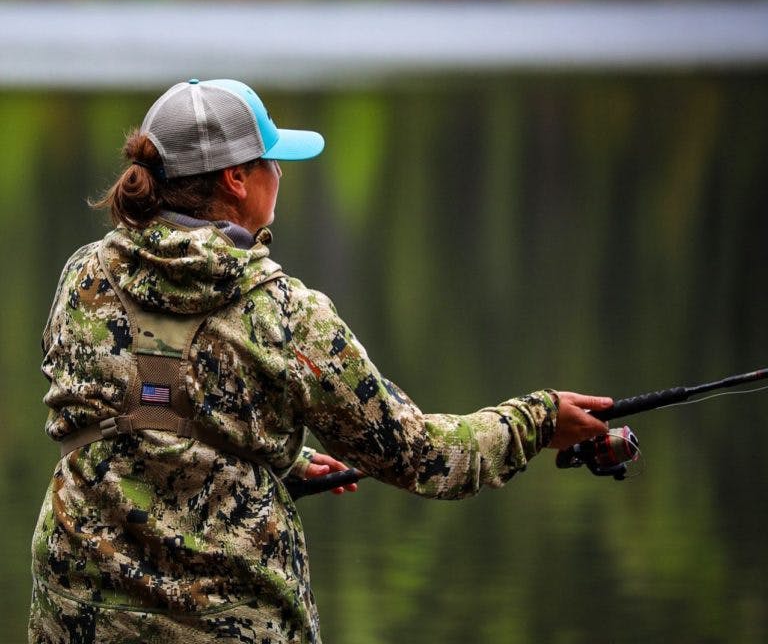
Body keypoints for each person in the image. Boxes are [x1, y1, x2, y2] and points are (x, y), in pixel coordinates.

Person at [29, 78, 613, 644]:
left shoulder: (84, 275)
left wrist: (277, 457)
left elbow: (122, 418)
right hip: (227, 618)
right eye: (272, 163)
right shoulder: (285, 313)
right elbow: (422, 457)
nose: (279, 177)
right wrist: (536, 422)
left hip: (77, 612)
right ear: (237, 179)